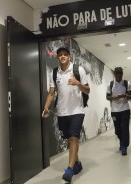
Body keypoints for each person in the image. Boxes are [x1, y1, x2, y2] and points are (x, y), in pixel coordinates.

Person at [42, 47, 90, 183]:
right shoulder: (55, 72)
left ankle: (69, 170)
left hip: (77, 111)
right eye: (60, 55)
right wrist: (46, 107)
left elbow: (87, 90)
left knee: (74, 138)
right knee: (69, 139)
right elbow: (52, 93)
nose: (63, 56)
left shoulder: (78, 70)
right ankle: (77, 163)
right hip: (62, 112)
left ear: (69, 57)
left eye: (65, 54)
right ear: (58, 57)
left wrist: (78, 83)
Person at [106, 67, 131, 156]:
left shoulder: (127, 83)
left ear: (122, 74)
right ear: (114, 74)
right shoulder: (110, 84)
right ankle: (122, 141)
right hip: (114, 110)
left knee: (125, 128)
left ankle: (124, 146)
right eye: (116, 73)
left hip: (125, 109)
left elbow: (130, 96)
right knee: (117, 130)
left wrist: (124, 95)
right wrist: (114, 98)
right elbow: (107, 97)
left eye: (120, 73)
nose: (118, 75)